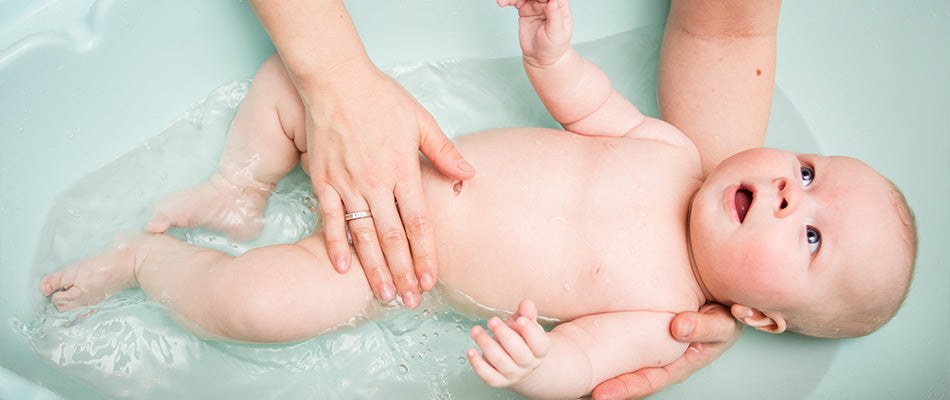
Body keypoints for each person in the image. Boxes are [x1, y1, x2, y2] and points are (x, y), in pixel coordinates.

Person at [40, 0, 916, 398]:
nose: (788, 197)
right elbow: (588, 105)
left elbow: (581, 366)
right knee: (293, 81)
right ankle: (242, 186)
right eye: (807, 172)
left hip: (389, 269)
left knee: (256, 306)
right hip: (406, 143)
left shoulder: (667, 315)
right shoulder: (673, 148)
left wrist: (536, 370)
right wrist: (550, 57)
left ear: (762, 317)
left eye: (809, 238)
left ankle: (148, 260)